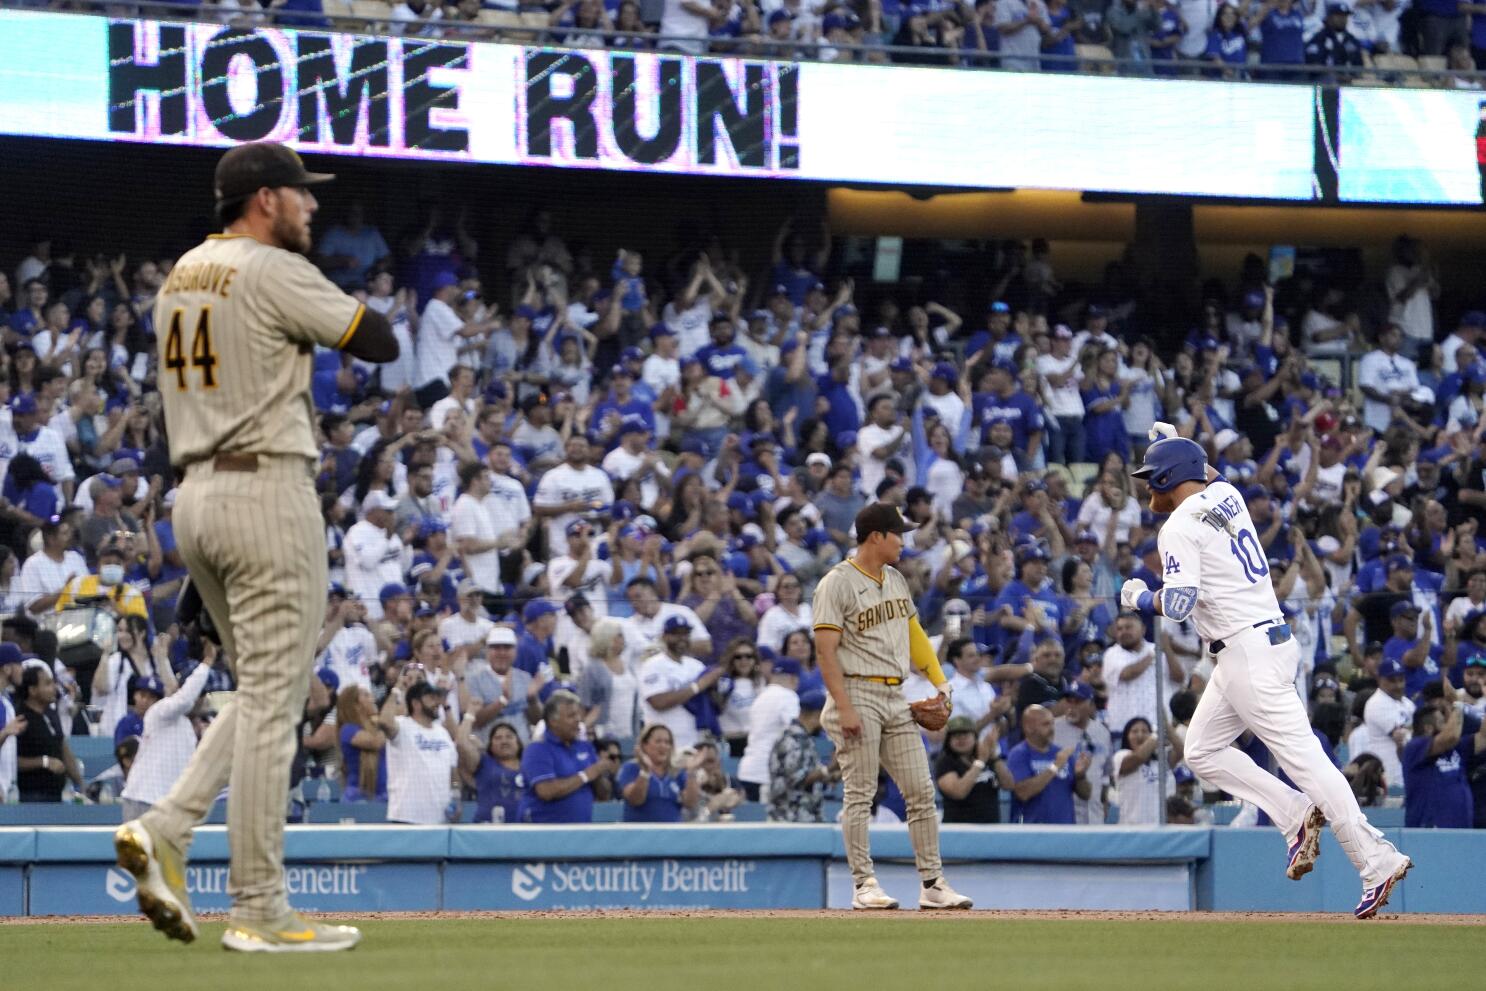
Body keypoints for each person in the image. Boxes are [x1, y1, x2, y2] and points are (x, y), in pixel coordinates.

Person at [114, 141, 398, 953]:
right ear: (264, 199)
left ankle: (165, 824)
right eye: (300, 194)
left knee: (263, 690)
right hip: (265, 486)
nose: (312, 206)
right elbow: (373, 338)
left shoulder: (182, 272)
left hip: (197, 494)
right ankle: (261, 905)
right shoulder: (271, 267)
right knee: (279, 701)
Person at [1123, 428, 1411, 919]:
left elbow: (1176, 604)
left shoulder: (1177, 527)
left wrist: (1136, 597)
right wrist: (1178, 440)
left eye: (1154, 476)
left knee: (1308, 763)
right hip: (1260, 645)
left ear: (1171, 476)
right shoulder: (1227, 494)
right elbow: (1208, 471)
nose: (1150, 487)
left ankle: (1375, 858)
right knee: (1201, 750)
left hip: (1247, 653)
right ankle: (1294, 814)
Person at [813, 502, 972, 911]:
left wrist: (939, 681)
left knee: (920, 790)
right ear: (876, 537)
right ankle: (864, 884)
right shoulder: (836, 583)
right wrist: (844, 707)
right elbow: (826, 652)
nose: (905, 540)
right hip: (855, 690)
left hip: (893, 693)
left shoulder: (895, 579)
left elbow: (914, 633)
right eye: (898, 533)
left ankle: (932, 884)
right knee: (861, 793)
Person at [119, 661, 215, 821]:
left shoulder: (187, 728)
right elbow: (184, 700)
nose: (203, 701)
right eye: (200, 695)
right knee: (138, 847)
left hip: (166, 805)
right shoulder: (160, 711)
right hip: (143, 800)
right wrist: (207, 662)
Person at [516, 691, 618, 823]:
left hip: (580, 833)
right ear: (553, 721)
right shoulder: (537, 750)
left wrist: (601, 773)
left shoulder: (585, 747)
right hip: (544, 834)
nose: (578, 720)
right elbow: (546, 791)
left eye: (578, 714)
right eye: (571, 716)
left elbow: (604, 795)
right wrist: (586, 775)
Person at [1402, 676, 1486, 828]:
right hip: (1428, 834)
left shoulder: (1456, 749)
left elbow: (1484, 736)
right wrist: (1457, 705)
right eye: (1442, 721)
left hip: (1462, 832)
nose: (1448, 721)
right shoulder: (1414, 747)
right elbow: (1451, 736)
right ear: (1428, 728)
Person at [378, 677, 459, 825]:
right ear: (416, 703)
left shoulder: (443, 733)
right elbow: (384, 721)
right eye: (431, 698)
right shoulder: (403, 726)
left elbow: (453, 772)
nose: (436, 703)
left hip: (439, 819)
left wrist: (456, 797)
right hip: (406, 816)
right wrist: (397, 689)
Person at [1006, 703, 1091, 824]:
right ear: (1028, 727)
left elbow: (1085, 795)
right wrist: (1055, 766)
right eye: (1045, 724)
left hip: (1064, 831)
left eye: (1052, 723)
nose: (1052, 729)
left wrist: (1080, 776)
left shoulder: (1061, 753)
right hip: (1031, 833)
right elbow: (1023, 793)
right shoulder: (1019, 754)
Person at [14, 659, 84, 802]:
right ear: (32, 690)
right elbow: (10, 760)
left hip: (56, 796)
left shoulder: (51, 714)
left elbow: (63, 748)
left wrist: (81, 784)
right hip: (31, 798)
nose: (54, 688)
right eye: (47, 683)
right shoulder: (20, 719)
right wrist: (43, 762)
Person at [736, 657, 804, 800]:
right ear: (794, 679)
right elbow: (795, 730)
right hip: (765, 772)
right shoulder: (788, 696)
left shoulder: (760, 697)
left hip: (748, 770)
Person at [765, 689, 834, 822]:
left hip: (805, 817)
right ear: (817, 714)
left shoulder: (804, 739)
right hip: (789, 819)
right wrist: (829, 768)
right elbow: (797, 779)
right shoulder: (792, 740)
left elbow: (812, 775)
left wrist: (835, 772)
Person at [617, 723, 703, 823]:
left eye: (667, 742)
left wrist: (691, 772)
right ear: (645, 745)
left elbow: (690, 803)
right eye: (658, 741)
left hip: (672, 834)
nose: (663, 746)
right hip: (640, 835)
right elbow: (635, 800)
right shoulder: (631, 768)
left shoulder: (677, 771)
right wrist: (645, 772)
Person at [935, 716, 1012, 824]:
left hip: (991, 829)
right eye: (956, 735)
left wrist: (994, 757)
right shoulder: (945, 762)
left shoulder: (987, 757)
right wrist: (979, 763)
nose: (961, 739)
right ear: (948, 740)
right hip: (959, 830)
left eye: (965, 734)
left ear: (975, 737)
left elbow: (1009, 785)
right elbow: (958, 792)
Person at [1112, 716, 1183, 825]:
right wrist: (1155, 736)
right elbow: (1139, 757)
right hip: (1133, 829)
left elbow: (1180, 750)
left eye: (1145, 731)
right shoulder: (1121, 756)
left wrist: (1165, 723)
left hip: (1164, 827)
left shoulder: (1162, 760)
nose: (1140, 735)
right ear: (1126, 736)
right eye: (1134, 731)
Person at [456, 720, 525, 824]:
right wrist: (470, 714)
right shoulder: (484, 763)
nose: (504, 741)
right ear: (491, 746)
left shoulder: (531, 765)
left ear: (518, 743)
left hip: (526, 830)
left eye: (509, 737)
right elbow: (462, 742)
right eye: (498, 738)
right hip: (488, 830)